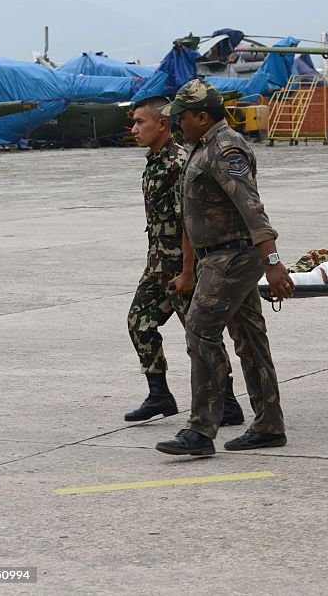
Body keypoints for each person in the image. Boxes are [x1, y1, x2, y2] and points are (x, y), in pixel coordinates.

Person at [154, 79, 293, 457]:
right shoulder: (202, 146)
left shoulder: (225, 148)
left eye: (181, 117)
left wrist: (274, 262)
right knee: (249, 339)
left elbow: (252, 207)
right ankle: (269, 424)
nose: (177, 123)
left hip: (231, 256)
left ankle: (201, 430)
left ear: (202, 116)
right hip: (220, 256)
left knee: (200, 330)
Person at [124, 96, 245, 425]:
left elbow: (189, 222)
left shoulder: (179, 162)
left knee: (200, 335)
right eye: (133, 123)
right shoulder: (155, 160)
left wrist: (189, 271)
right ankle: (159, 393)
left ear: (162, 124)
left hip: (182, 265)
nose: (134, 129)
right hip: (158, 264)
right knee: (139, 322)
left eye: (140, 122)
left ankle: (229, 402)